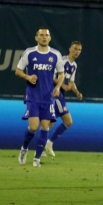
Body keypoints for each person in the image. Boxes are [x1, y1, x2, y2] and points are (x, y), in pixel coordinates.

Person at [15, 28, 65, 168]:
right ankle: (24, 148)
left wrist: (58, 87)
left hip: (48, 98)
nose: (44, 37)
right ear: (36, 38)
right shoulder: (29, 53)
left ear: (50, 38)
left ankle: (37, 159)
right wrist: (28, 77)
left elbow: (61, 74)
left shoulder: (55, 54)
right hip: (33, 97)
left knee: (45, 127)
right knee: (33, 127)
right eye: (41, 35)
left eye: (46, 35)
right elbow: (18, 71)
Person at [44, 41, 83, 158]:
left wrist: (77, 92)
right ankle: (47, 144)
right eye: (75, 49)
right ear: (70, 49)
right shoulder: (62, 61)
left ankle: (43, 147)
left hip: (60, 95)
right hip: (55, 93)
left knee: (50, 122)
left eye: (79, 50)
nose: (77, 51)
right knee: (68, 121)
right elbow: (52, 76)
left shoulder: (74, 65)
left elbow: (71, 82)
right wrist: (62, 85)